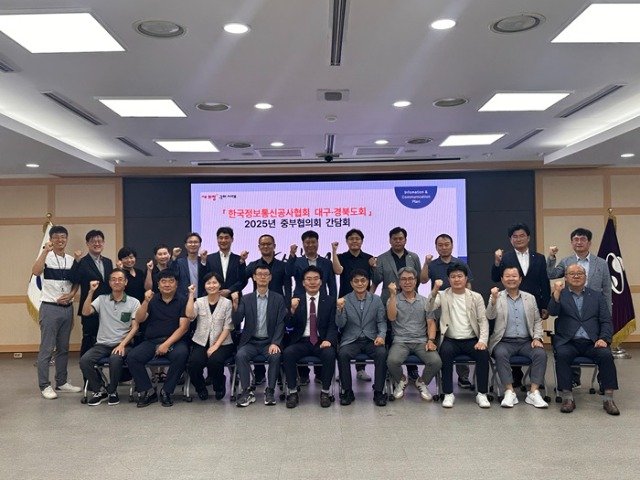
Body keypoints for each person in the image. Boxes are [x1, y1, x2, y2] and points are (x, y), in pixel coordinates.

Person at [548, 264, 620, 415]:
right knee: (562, 355)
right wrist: (556, 293)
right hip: (568, 341)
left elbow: (606, 320)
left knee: (606, 355)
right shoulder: (561, 294)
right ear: (566, 277)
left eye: (580, 273)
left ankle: (608, 399)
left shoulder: (597, 296)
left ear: (585, 277)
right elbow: (552, 312)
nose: (576, 276)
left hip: (592, 342)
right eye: (572, 273)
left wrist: (604, 339)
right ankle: (567, 398)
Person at [491, 222, 550, 387]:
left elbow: (544, 283)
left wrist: (545, 305)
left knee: (531, 338)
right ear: (510, 240)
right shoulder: (506, 257)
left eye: (522, 235)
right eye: (515, 237)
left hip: (532, 303)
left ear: (528, 237)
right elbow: (495, 277)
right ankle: (515, 376)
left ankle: (535, 379)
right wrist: (497, 262)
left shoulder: (539, 258)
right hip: (509, 300)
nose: (519, 239)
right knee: (513, 334)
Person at [428, 263, 490, 408]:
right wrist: (435, 290)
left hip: (472, 339)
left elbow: (483, 320)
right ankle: (448, 393)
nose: (456, 279)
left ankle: (482, 393)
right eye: (453, 276)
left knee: (483, 354)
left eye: (460, 276)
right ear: (448, 279)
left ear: (466, 278)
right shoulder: (443, 295)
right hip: (450, 340)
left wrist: (482, 340)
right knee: (445, 353)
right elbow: (429, 307)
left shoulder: (476, 297)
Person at [128, 270, 193, 407]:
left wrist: (166, 344)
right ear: (158, 285)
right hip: (152, 341)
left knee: (181, 354)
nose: (167, 284)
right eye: (163, 281)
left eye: (171, 281)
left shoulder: (183, 300)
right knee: (133, 357)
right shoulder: (152, 300)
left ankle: (166, 391)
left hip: (175, 341)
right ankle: (149, 391)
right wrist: (145, 301)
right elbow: (139, 319)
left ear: (176, 284)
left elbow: (183, 328)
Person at [371, 227, 428, 382]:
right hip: (389, 300)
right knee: (391, 334)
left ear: (405, 240)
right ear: (390, 240)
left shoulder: (413, 257)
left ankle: (412, 369)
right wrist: (374, 267)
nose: (398, 241)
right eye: (394, 239)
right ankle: (391, 369)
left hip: (410, 301)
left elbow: (417, 278)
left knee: (409, 331)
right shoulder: (382, 258)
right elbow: (377, 280)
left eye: (400, 238)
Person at [486, 267, 548, 408]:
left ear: (520, 279)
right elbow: (489, 315)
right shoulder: (496, 296)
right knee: (500, 354)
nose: (511, 279)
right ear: (502, 279)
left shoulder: (529, 298)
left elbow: (537, 321)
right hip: (504, 341)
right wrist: (493, 300)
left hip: (527, 341)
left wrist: (537, 338)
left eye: (514, 276)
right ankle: (509, 392)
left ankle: (534, 392)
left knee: (540, 354)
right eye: (507, 276)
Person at [32, 225, 81, 399]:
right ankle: (44, 385)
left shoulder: (71, 259)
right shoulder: (46, 257)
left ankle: (61, 382)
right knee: (47, 349)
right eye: (57, 237)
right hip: (50, 308)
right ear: (51, 239)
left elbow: (76, 281)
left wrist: (72, 295)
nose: (60, 240)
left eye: (63, 237)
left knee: (63, 348)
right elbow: (35, 271)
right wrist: (45, 251)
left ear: (67, 239)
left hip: (67, 308)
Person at [79, 269, 141, 406]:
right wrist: (90, 292)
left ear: (126, 282)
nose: (117, 282)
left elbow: (135, 327)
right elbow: (86, 312)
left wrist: (122, 344)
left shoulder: (134, 302)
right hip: (102, 344)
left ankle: (112, 391)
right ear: (109, 282)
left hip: (123, 344)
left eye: (120, 279)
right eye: (113, 279)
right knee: (85, 360)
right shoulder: (102, 299)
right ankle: (100, 390)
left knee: (115, 359)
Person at [232, 265, 286, 407]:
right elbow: (237, 321)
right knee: (240, 355)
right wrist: (235, 305)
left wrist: (275, 342)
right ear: (254, 278)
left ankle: (270, 391)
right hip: (251, 342)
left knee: (275, 356)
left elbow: (281, 323)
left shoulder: (278, 299)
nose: (262, 277)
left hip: (269, 342)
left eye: (266, 274)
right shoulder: (246, 299)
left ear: (270, 277)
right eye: (259, 274)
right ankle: (246, 392)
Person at [283, 266, 338, 408]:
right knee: (288, 353)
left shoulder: (330, 301)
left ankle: (325, 392)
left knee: (330, 353)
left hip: (321, 341)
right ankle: (293, 392)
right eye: (308, 279)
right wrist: (292, 310)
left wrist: (329, 340)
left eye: (315, 279)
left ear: (321, 282)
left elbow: (333, 325)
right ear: (303, 282)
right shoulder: (296, 300)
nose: (312, 282)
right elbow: (288, 325)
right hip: (301, 340)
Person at [426, 233, 474, 389]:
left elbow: (468, 285)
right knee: (442, 343)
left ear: (452, 246)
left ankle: (463, 376)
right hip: (439, 307)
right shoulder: (433, 264)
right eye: (440, 245)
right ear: (436, 247)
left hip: (459, 307)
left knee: (460, 336)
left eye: (447, 244)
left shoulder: (460, 263)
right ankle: (442, 376)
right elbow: (423, 280)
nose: (444, 247)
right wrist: (426, 263)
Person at [386, 267, 441, 402]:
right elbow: (391, 317)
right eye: (403, 279)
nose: (407, 282)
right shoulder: (393, 300)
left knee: (436, 361)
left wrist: (431, 340)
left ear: (416, 281)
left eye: (410, 279)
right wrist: (392, 295)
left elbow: (431, 323)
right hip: (400, 341)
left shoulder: (425, 301)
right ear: (399, 282)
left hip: (421, 341)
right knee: (392, 361)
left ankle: (421, 382)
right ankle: (402, 380)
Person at [335, 269, 387, 407]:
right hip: (352, 340)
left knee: (382, 353)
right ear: (351, 283)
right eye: (356, 281)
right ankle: (347, 391)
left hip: (371, 339)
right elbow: (340, 324)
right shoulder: (344, 300)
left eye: (363, 280)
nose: (360, 284)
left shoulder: (376, 300)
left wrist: (381, 336)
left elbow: (381, 322)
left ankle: (379, 391)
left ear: (368, 282)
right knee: (342, 354)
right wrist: (339, 310)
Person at [245, 234, 292, 385]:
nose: (266, 246)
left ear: (274, 246)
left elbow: (288, 287)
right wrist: (241, 263)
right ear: (259, 247)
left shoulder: (282, 266)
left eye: (269, 244)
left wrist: (287, 306)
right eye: (263, 244)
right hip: (259, 305)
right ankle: (259, 374)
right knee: (258, 337)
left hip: (278, 307)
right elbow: (241, 279)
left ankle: (279, 375)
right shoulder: (253, 265)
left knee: (277, 339)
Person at [331, 229, 376, 382]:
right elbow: (338, 271)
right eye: (351, 239)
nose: (354, 241)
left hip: (364, 300)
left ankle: (360, 369)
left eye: (357, 238)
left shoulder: (369, 258)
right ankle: (342, 370)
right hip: (345, 300)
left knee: (362, 330)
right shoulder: (341, 257)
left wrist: (371, 295)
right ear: (347, 241)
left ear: (362, 241)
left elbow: (374, 279)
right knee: (344, 332)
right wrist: (334, 251)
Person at [186, 272, 235, 401]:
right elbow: (190, 315)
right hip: (201, 341)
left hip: (222, 343)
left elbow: (228, 327)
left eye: (214, 283)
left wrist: (215, 346)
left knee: (215, 361)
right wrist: (191, 295)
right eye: (208, 283)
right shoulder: (199, 301)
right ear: (204, 285)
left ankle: (219, 385)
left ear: (220, 285)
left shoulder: (227, 303)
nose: (211, 285)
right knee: (194, 364)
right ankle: (200, 388)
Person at [547, 228, 612, 309]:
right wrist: (551, 256)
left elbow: (607, 290)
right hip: (571, 306)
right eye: (576, 239)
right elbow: (551, 274)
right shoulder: (566, 261)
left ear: (589, 243)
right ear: (572, 243)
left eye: (583, 239)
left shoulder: (601, 263)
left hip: (594, 306)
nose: (579, 242)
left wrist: (608, 312)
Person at [73, 229, 113, 356]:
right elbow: (74, 279)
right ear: (87, 244)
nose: (97, 244)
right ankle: (87, 368)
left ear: (103, 243)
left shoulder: (108, 262)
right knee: (89, 338)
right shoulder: (82, 261)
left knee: (106, 338)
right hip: (89, 306)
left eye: (99, 241)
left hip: (106, 307)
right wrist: (76, 261)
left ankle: (103, 366)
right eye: (93, 241)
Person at [287, 230, 336, 298]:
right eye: (307, 243)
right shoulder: (296, 261)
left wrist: (333, 301)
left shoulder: (327, 263)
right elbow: (289, 273)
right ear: (303, 244)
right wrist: (292, 255)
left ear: (317, 243)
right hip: (300, 300)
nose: (310, 245)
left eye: (313, 242)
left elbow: (332, 285)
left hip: (322, 300)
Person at [204, 226, 248, 299]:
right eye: (220, 238)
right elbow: (204, 279)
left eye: (226, 238)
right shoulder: (209, 259)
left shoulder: (239, 260)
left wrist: (229, 290)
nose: (223, 240)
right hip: (213, 298)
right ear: (217, 239)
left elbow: (243, 281)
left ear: (232, 239)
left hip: (234, 298)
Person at [175, 232, 208, 298]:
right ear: (185, 245)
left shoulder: (204, 261)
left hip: (201, 299)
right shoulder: (179, 262)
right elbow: (173, 277)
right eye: (190, 242)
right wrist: (174, 257)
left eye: (196, 242)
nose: (193, 244)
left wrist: (203, 261)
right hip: (184, 299)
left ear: (200, 245)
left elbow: (206, 278)